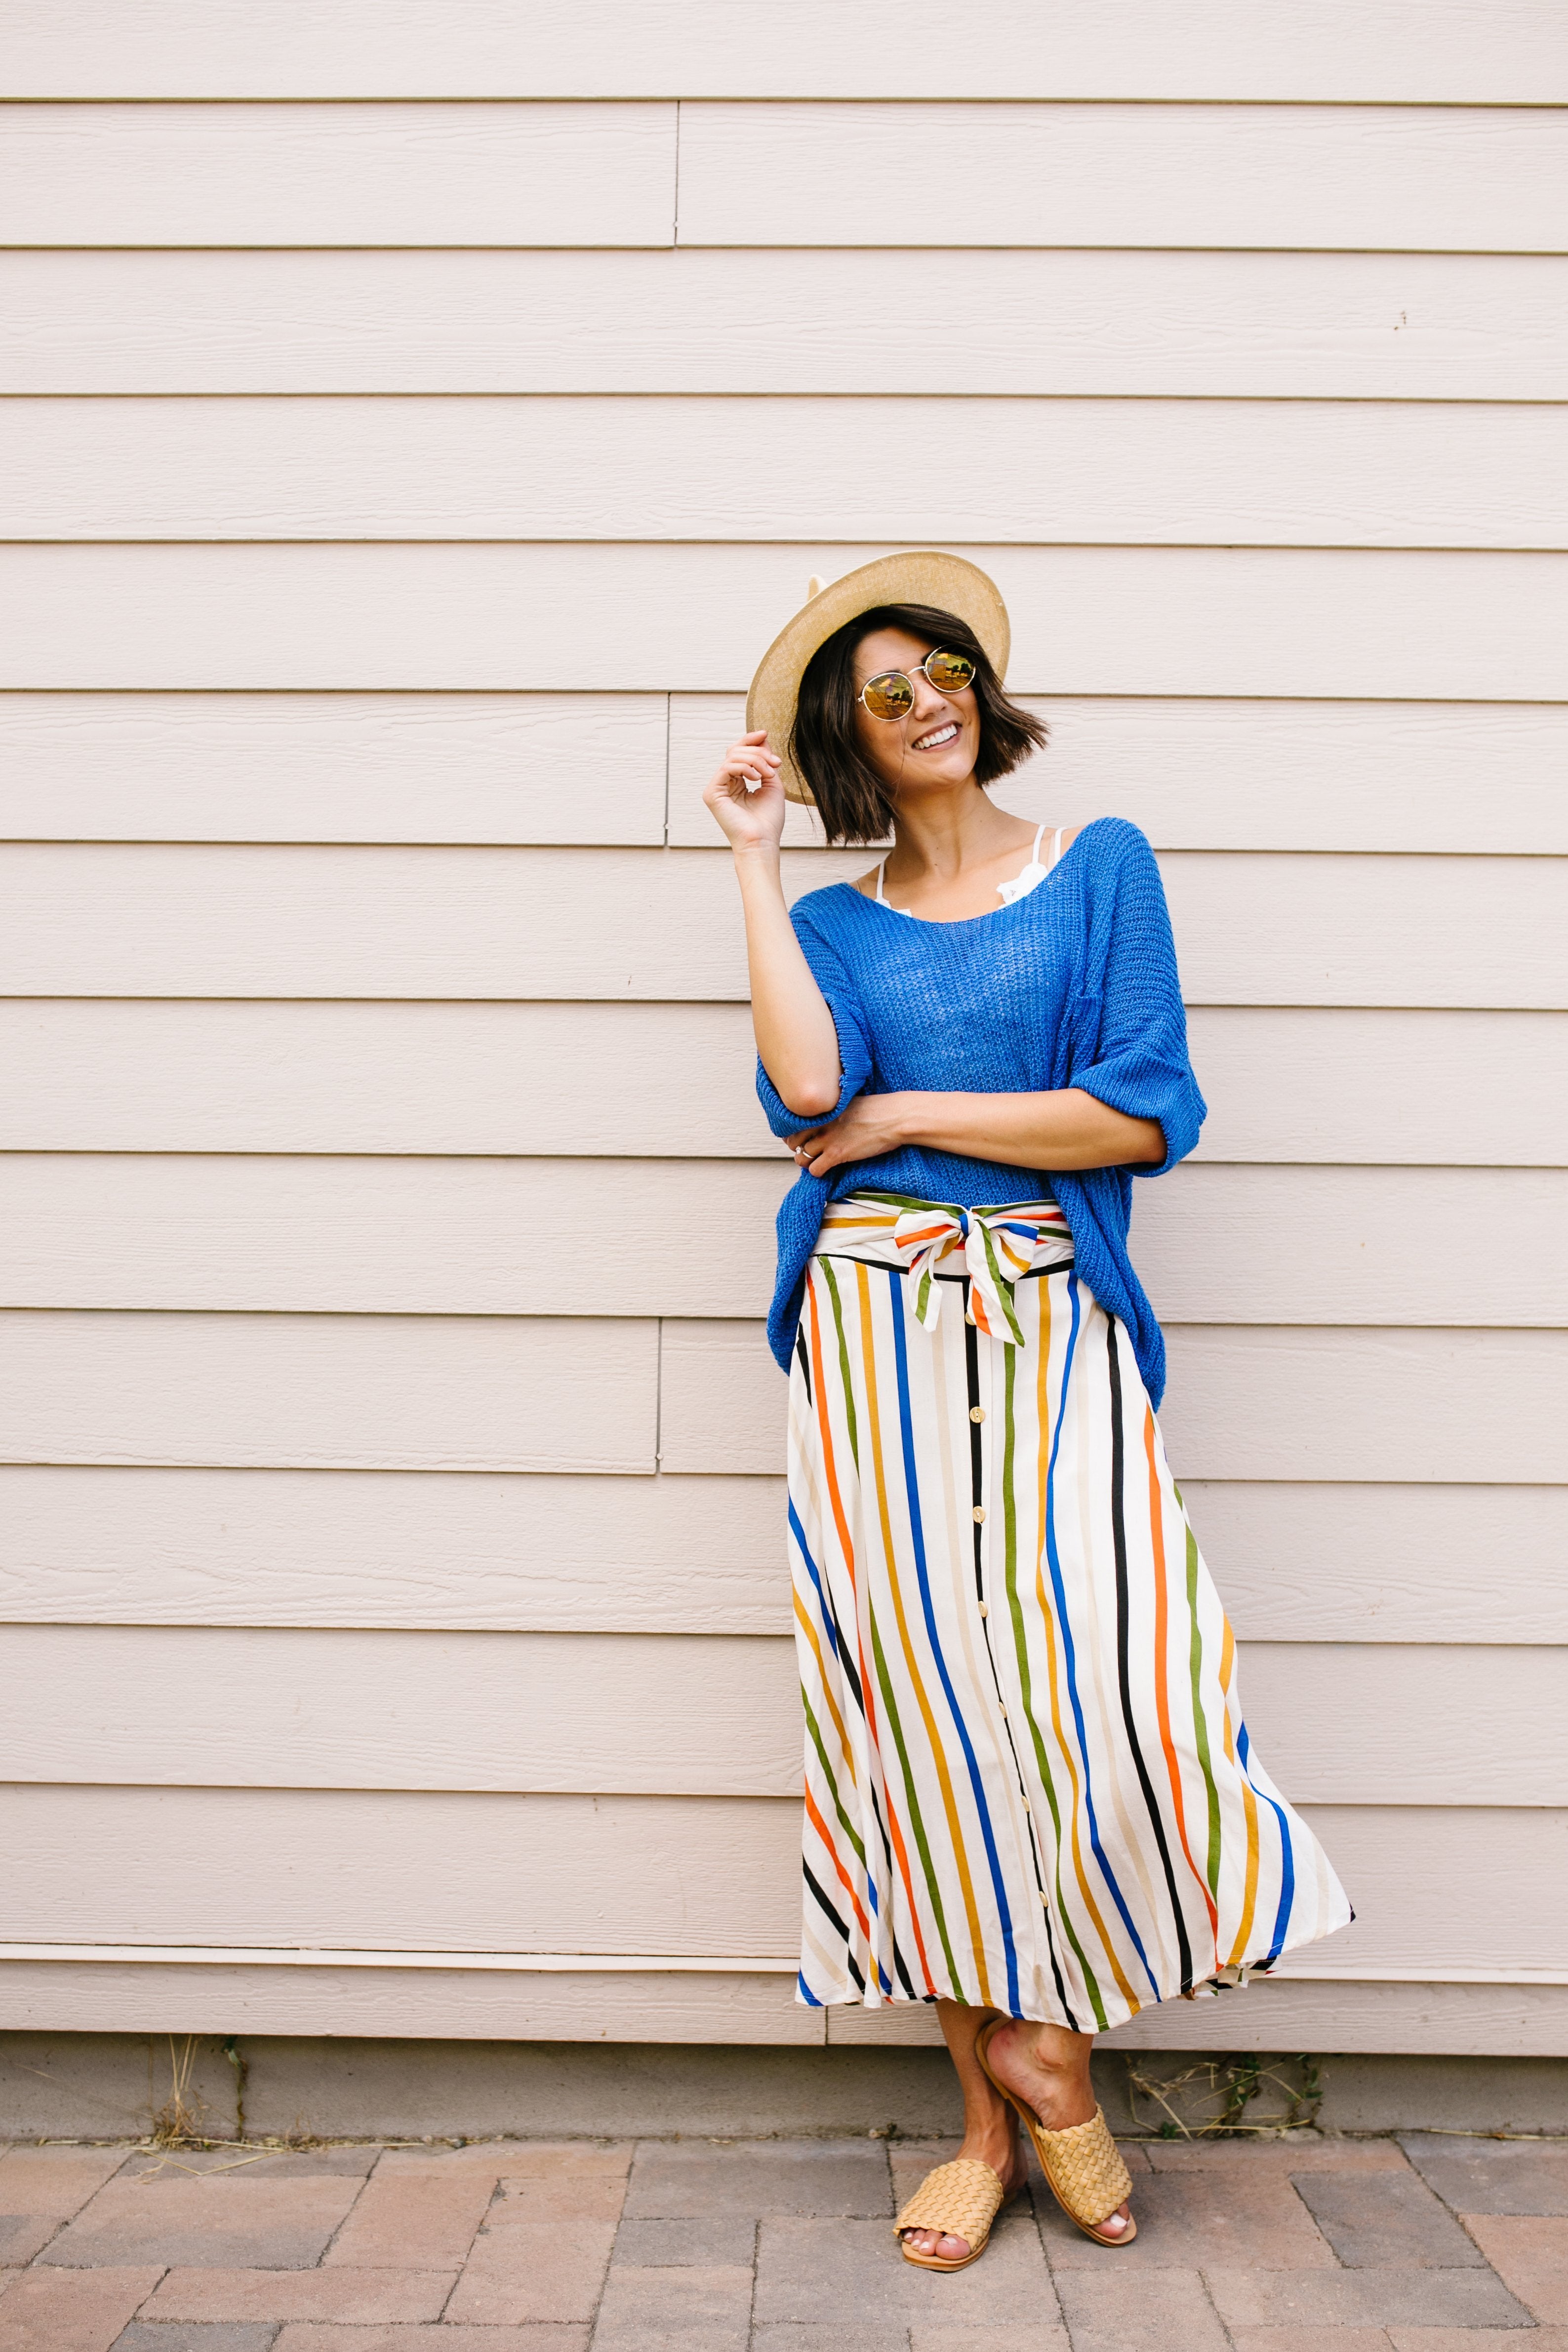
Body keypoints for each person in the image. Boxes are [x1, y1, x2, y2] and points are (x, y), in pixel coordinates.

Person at [704, 552, 1352, 2271]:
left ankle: (1051, 2031)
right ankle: (990, 2118)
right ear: (850, 740)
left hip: (1048, 1312)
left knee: (1110, 1672)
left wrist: (919, 1101)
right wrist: (759, 863)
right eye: (883, 691)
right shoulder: (831, 925)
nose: (926, 702)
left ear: (985, 694)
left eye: (943, 672)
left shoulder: (1099, 866)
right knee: (919, 1709)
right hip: (867, 1326)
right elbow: (803, 1092)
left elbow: (1142, 1115)